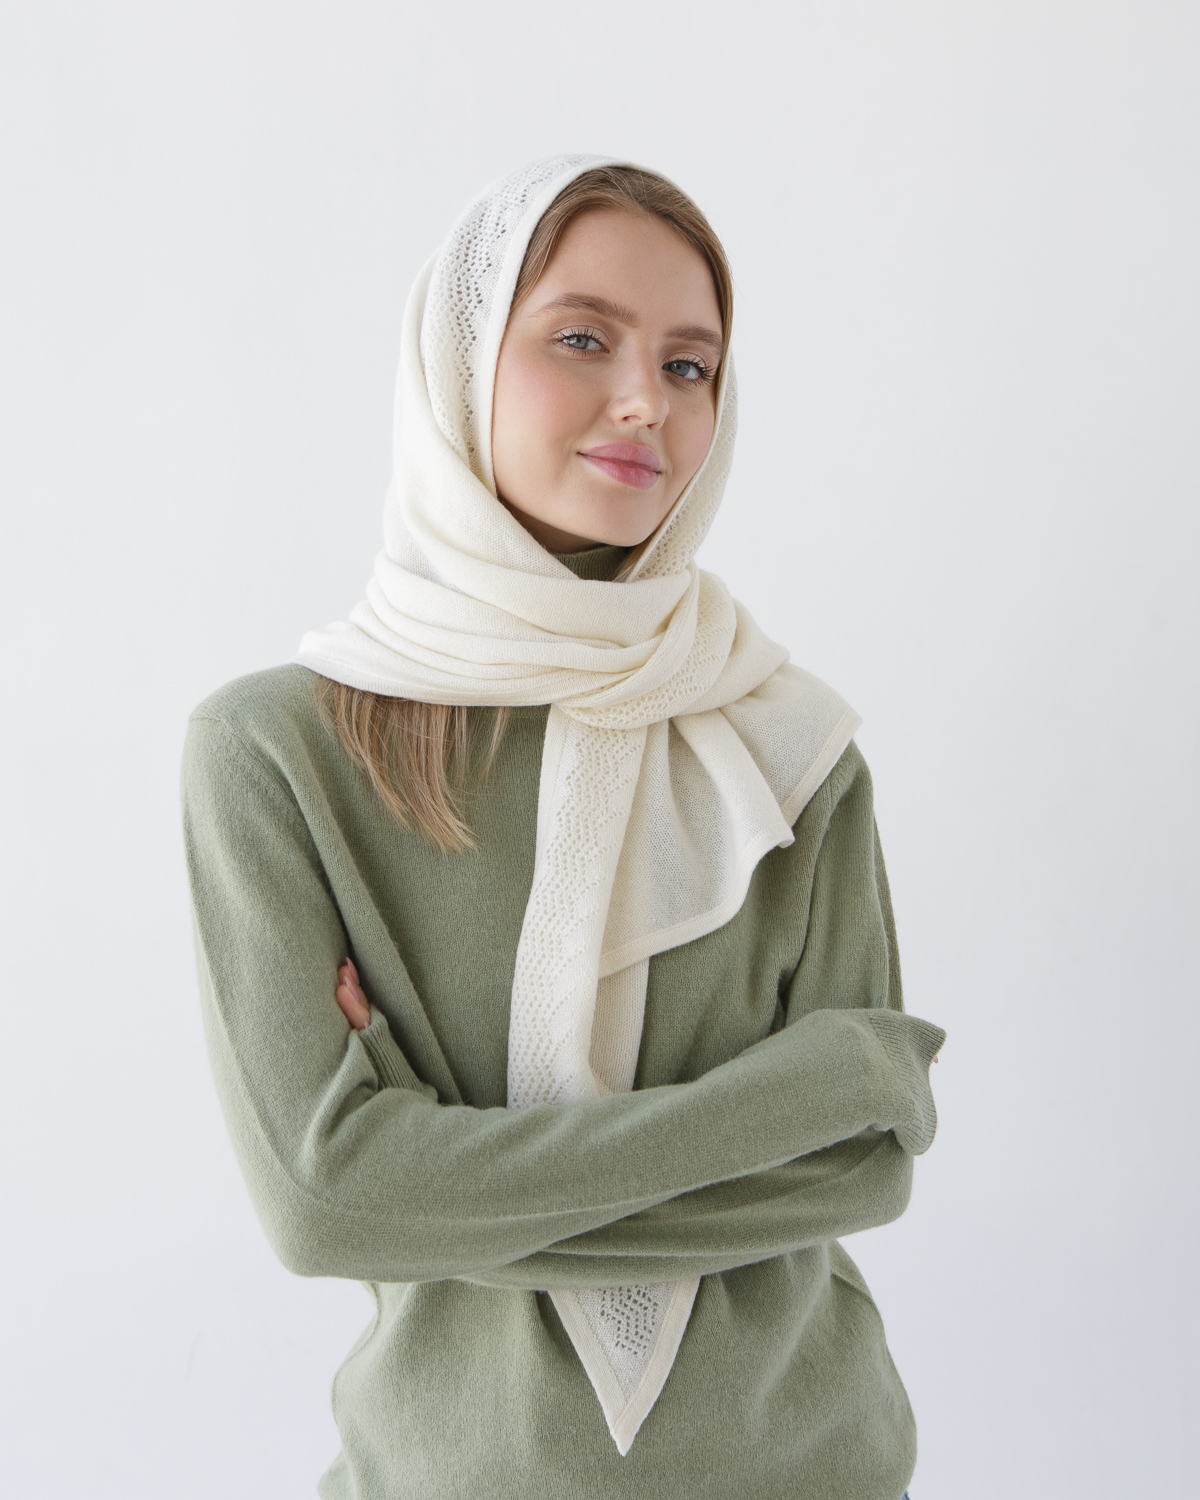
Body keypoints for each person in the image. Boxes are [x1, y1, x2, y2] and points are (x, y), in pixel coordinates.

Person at [182, 155, 943, 1500]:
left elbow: (865, 1171)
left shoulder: (790, 753)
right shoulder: (277, 754)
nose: (648, 399)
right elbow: (327, 1204)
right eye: (583, 339)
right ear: (458, 361)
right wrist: (804, 1092)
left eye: (691, 364)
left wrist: (437, 1173)